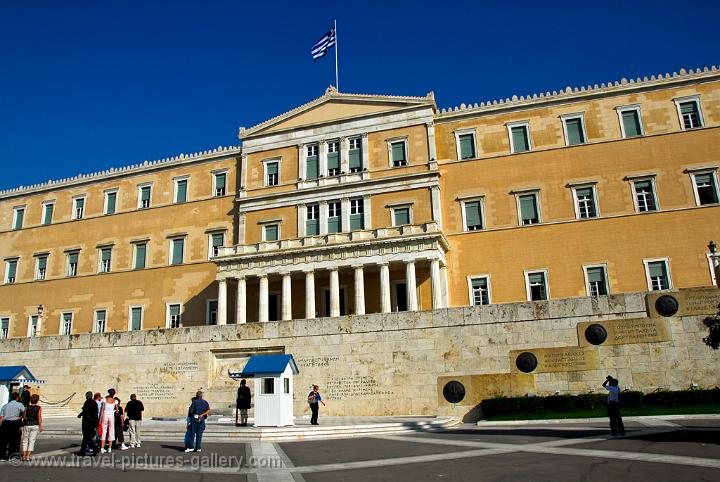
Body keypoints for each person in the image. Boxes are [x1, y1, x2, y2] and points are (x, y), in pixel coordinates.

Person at [0, 392, 26, 459]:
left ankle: (2, 455)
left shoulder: (5, 406)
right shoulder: (19, 404)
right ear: (17, 398)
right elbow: (24, 411)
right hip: (15, 423)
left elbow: (1, 417)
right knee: (14, 440)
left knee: (4, 440)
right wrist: (21, 417)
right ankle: (12, 455)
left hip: (5, 423)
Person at [21, 394, 42, 461]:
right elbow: (39, 418)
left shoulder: (26, 407)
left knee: (25, 440)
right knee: (32, 440)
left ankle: (23, 456)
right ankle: (28, 456)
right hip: (35, 425)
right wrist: (40, 426)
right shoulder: (39, 407)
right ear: (37, 400)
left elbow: (24, 416)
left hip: (27, 424)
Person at [79, 391, 99, 456]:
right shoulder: (94, 403)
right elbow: (96, 413)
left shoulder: (87, 402)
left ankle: (95, 448)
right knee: (86, 438)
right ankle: (82, 451)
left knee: (87, 437)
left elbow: (85, 411)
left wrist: (80, 414)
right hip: (93, 422)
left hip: (87, 422)